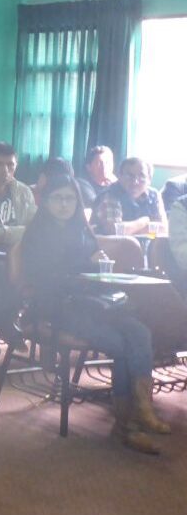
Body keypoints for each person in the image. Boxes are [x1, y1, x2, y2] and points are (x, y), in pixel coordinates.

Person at [21, 176, 168, 454]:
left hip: (94, 304)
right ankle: (128, 426)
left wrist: (97, 268)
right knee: (121, 345)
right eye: (57, 198)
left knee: (140, 332)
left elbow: (89, 271)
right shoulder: (37, 234)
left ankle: (142, 408)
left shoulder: (82, 230)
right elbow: (45, 281)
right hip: (58, 308)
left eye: (70, 198)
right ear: (46, 202)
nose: (64, 204)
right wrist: (84, 266)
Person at [100, 157, 165, 235]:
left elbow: (164, 229)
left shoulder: (154, 195)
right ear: (120, 176)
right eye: (129, 176)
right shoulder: (110, 194)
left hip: (148, 240)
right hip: (112, 242)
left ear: (149, 179)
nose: (135, 182)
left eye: (142, 176)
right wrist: (143, 222)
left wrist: (131, 230)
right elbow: (114, 231)